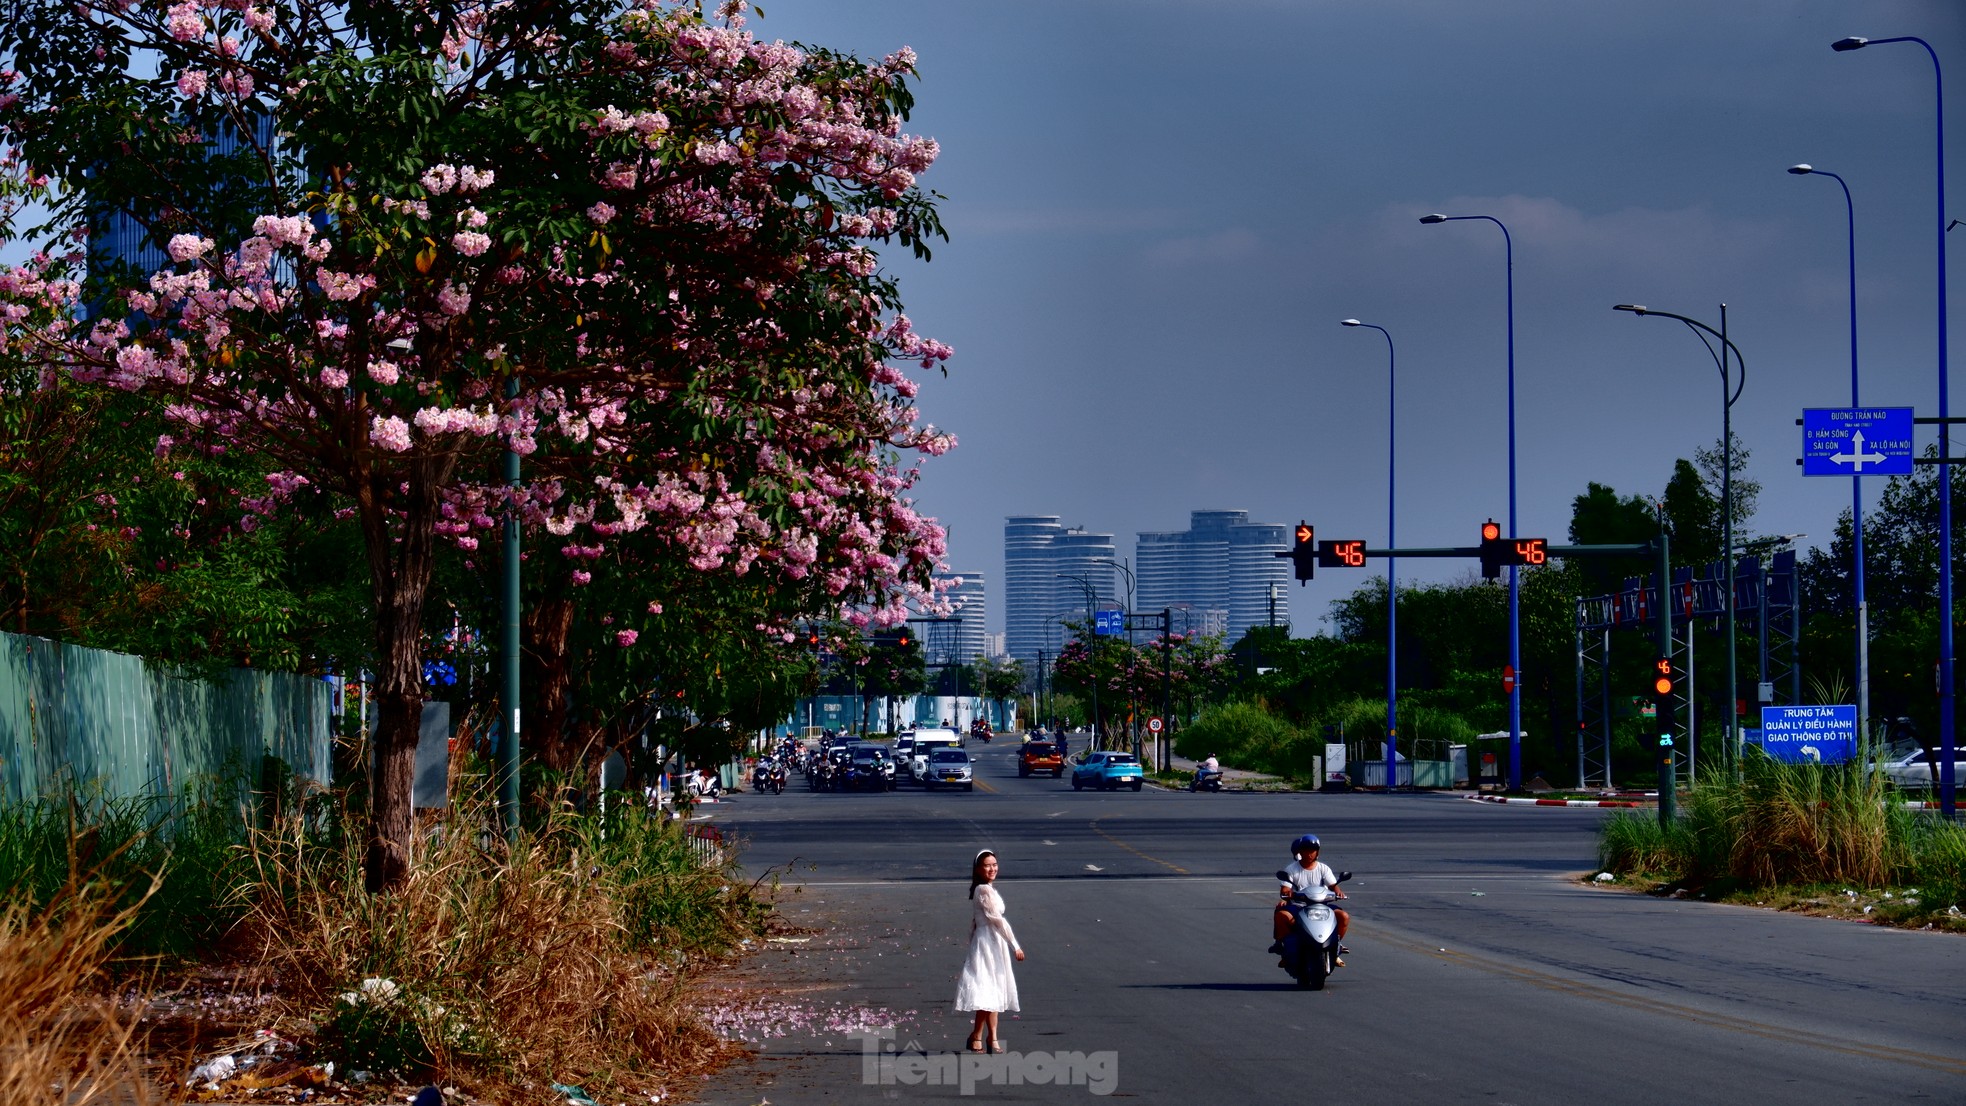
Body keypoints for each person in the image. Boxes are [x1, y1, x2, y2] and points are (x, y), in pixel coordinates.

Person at [954, 849, 1024, 1053]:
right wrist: (1015, 945)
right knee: (988, 991)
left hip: (993, 942)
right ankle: (978, 1035)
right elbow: (997, 921)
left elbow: (976, 921)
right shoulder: (983, 890)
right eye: (987, 865)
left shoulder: (988, 889)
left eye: (994, 864)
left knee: (995, 990)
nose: (992, 868)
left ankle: (991, 1037)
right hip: (988, 943)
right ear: (978, 869)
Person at [1271, 834, 1348, 967]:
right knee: (1282, 915)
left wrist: (1339, 893)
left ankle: (1336, 948)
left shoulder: (1323, 868)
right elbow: (1284, 889)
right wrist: (1287, 895)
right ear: (1300, 852)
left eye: (1312, 850)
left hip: (1322, 905)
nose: (1309, 854)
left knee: (1343, 916)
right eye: (1306, 850)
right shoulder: (1292, 869)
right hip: (1298, 906)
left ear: (1317, 852)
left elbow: (1334, 886)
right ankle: (1286, 951)